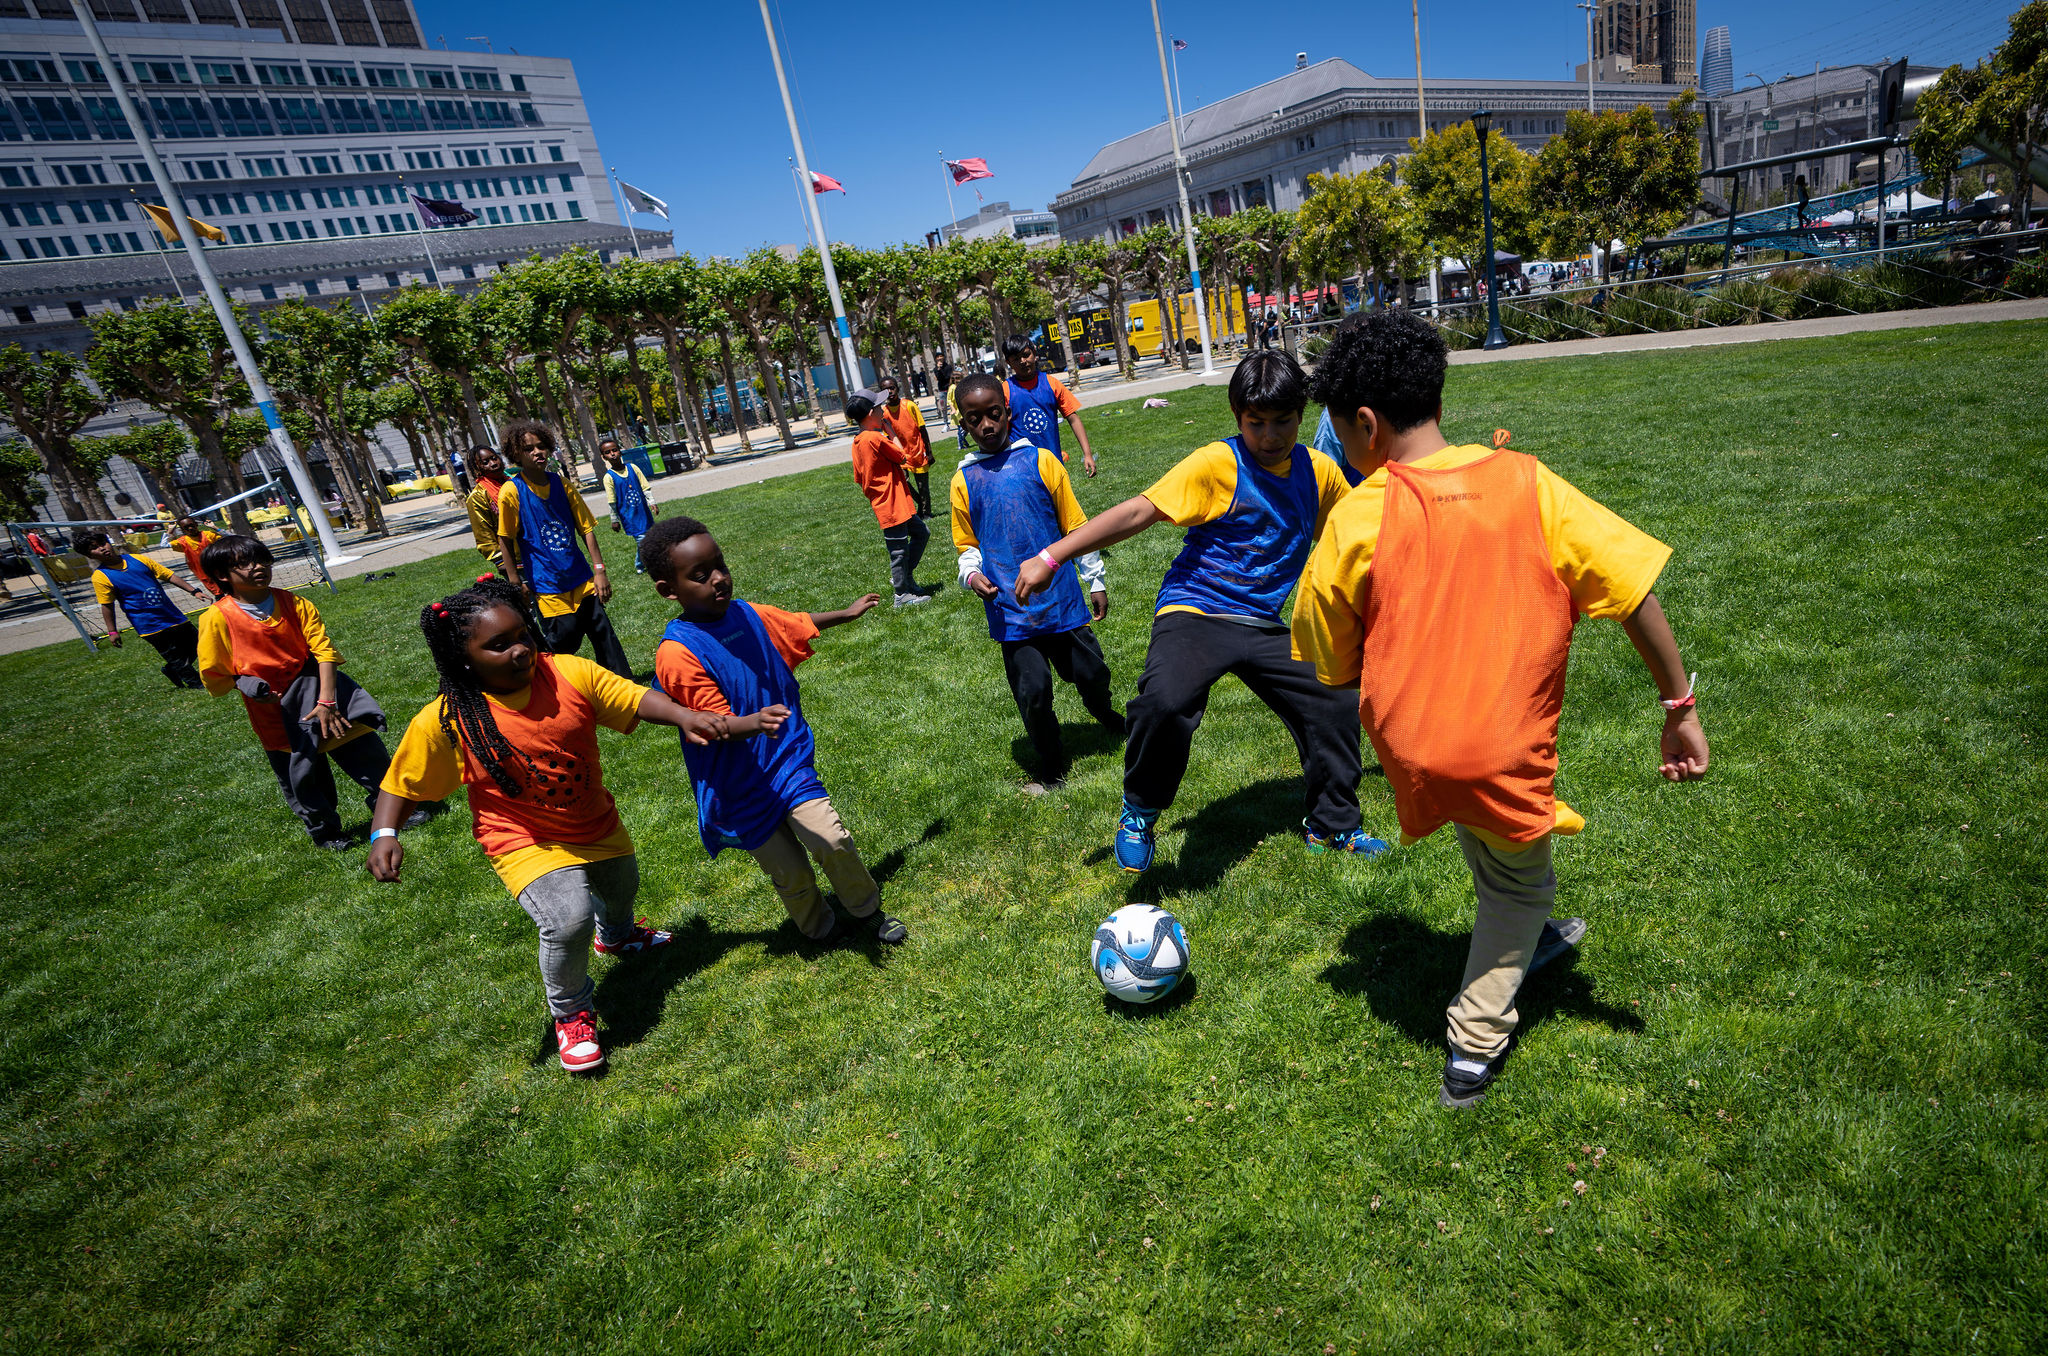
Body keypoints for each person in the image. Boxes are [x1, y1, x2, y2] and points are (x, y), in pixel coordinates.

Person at [1291, 310, 1709, 1110]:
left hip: (1413, 748)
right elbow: (1633, 591)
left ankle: (1525, 940)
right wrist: (1679, 705)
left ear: (1365, 424)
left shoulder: (1356, 514)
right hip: (1497, 751)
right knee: (1523, 886)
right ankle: (1473, 1044)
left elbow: (1329, 657)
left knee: (1488, 832)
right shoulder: (1530, 483)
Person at [1015, 350, 1385, 871]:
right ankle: (1140, 809)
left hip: (1263, 621)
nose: (1270, 436)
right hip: (1197, 609)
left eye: (1283, 421)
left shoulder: (1318, 471)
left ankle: (1332, 825)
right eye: (1256, 423)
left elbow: (1356, 533)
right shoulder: (1217, 464)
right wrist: (1052, 557)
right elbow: (1139, 511)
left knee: (1333, 699)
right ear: (1238, 417)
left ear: (1302, 417)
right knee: (1166, 702)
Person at [367, 578, 736, 1074]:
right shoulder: (450, 719)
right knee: (568, 919)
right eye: (498, 644)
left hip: (593, 820)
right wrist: (384, 834)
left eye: (523, 634)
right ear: (463, 658)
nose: (520, 649)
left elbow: (630, 697)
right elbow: (401, 782)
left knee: (621, 886)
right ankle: (573, 1014)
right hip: (521, 836)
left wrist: (681, 715)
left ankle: (618, 936)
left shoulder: (567, 672)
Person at [640, 515, 910, 946]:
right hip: (738, 784)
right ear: (668, 590)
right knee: (791, 874)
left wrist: (845, 613)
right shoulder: (677, 653)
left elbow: (794, 623)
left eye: (719, 565)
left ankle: (866, 909)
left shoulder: (747, 614)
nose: (718, 579)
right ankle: (819, 930)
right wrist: (753, 722)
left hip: (785, 760)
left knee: (832, 839)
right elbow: (711, 724)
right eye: (700, 575)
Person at [196, 532, 423, 849]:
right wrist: (246, 683)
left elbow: (324, 652)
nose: (259, 567)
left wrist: (328, 701)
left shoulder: (295, 603)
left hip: (325, 694)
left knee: (367, 756)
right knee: (305, 775)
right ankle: (326, 832)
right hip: (277, 712)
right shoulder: (216, 619)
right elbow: (215, 673)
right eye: (245, 564)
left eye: (262, 559)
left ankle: (392, 811)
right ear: (222, 575)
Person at [951, 374, 1122, 791]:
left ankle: (1105, 713)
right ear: (964, 425)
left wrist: (1095, 580)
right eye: (975, 419)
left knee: (1091, 673)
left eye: (994, 414)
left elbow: (1076, 527)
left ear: (1007, 413)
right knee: (1033, 692)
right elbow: (966, 545)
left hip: (1061, 601)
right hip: (1011, 610)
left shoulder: (1043, 461)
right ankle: (1051, 763)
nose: (986, 425)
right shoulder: (963, 481)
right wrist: (972, 574)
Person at [494, 419, 632, 677]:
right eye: (529, 449)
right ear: (516, 454)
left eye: (541, 446)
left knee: (605, 638)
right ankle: (559, 686)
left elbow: (586, 529)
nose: (537, 452)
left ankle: (623, 684)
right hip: (548, 586)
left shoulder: (562, 484)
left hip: (582, 579)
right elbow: (505, 539)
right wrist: (515, 582)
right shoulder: (511, 492)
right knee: (562, 643)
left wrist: (599, 570)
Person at [78, 529, 208, 688]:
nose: (102, 548)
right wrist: (112, 631)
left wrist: (194, 591)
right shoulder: (100, 577)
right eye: (94, 548)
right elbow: (107, 605)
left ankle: (172, 670)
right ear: (90, 555)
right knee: (174, 656)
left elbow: (168, 575)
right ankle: (196, 683)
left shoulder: (138, 559)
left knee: (198, 644)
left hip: (172, 614)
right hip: (148, 624)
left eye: (102, 543)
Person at [845, 388, 934, 607]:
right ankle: (901, 594)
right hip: (891, 504)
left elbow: (859, 477)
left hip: (893, 503)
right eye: (878, 407)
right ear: (870, 414)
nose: (883, 410)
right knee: (898, 551)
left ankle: (904, 576)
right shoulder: (875, 438)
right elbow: (902, 455)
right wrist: (890, 431)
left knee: (921, 533)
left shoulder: (858, 441)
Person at [1000, 335, 1096, 477]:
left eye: (1026, 355)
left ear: (1034, 353)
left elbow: (1073, 418)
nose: (1023, 361)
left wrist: (1087, 454)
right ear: (1008, 362)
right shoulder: (1005, 390)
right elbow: (1001, 432)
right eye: (1016, 359)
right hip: (1021, 469)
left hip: (1053, 464)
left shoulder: (1052, 384)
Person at [878, 376, 934, 519]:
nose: (890, 392)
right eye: (885, 390)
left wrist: (929, 452)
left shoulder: (909, 406)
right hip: (901, 456)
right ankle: (920, 505)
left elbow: (922, 429)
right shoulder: (884, 413)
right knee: (903, 483)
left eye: (892, 388)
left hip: (918, 451)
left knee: (922, 486)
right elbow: (888, 438)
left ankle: (926, 513)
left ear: (897, 388)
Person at [599, 438, 658, 572]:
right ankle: (644, 565)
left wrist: (652, 502)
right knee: (642, 540)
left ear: (620, 451)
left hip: (643, 512)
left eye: (614, 450)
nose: (612, 454)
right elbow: (612, 501)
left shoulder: (633, 468)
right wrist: (614, 519)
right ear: (604, 457)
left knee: (650, 536)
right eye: (608, 452)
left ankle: (641, 563)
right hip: (629, 515)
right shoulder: (608, 477)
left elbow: (645, 487)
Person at [463, 445, 508, 572]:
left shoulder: (515, 483)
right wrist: (500, 561)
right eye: (485, 462)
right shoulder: (478, 496)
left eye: (494, 458)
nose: (493, 464)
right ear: (477, 468)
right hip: (512, 558)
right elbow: (483, 535)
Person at [167, 516, 223, 597]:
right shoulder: (182, 542)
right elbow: (164, 544)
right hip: (203, 574)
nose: (190, 528)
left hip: (220, 569)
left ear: (196, 524)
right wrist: (170, 530)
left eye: (191, 525)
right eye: (186, 527)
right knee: (219, 595)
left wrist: (214, 527)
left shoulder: (208, 535)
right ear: (182, 529)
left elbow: (229, 537)